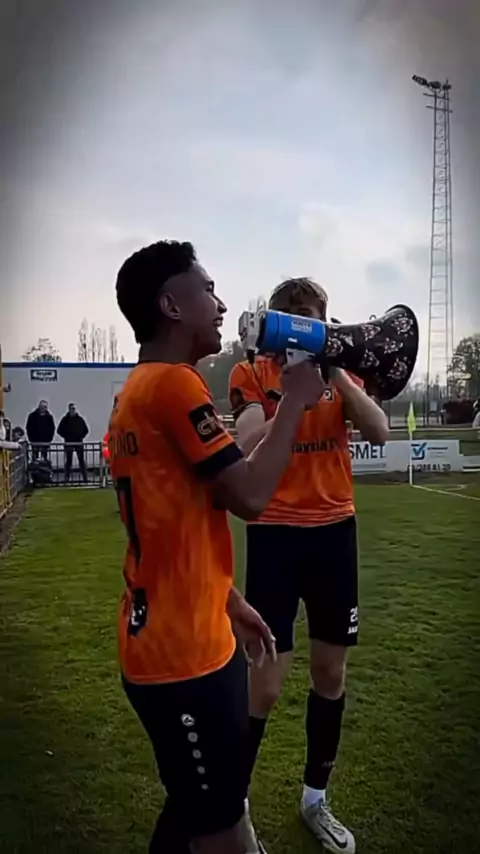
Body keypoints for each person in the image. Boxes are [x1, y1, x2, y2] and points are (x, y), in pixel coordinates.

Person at [111, 241, 327, 854]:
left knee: (193, 811)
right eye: (207, 290)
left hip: (175, 636)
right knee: (221, 830)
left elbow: (166, 527)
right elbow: (251, 496)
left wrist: (227, 598)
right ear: (171, 305)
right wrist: (295, 402)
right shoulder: (175, 387)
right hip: (183, 659)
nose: (222, 304)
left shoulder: (138, 390)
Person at [229, 277, 389, 854]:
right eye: (293, 313)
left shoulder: (343, 371)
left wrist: (337, 373)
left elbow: (378, 430)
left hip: (333, 534)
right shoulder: (252, 371)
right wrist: (292, 393)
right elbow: (246, 441)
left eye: (313, 314)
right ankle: (234, 807)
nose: (304, 322)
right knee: (265, 686)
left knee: (330, 674)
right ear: (277, 321)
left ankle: (315, 800)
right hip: (274, 533)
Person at [57, 403, 89, 484]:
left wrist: (80, 437)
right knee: (69, 461)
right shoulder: (65, 420)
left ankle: (85, 478)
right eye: (71, 409)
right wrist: (66, 437)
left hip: (78, 442)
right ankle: (67, 478)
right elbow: (59, 430)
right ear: (69, 409)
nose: (72, 410)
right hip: (69, 443)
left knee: (81, 460)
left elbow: (86, 430)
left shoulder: (80, 419)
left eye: (74, 409)